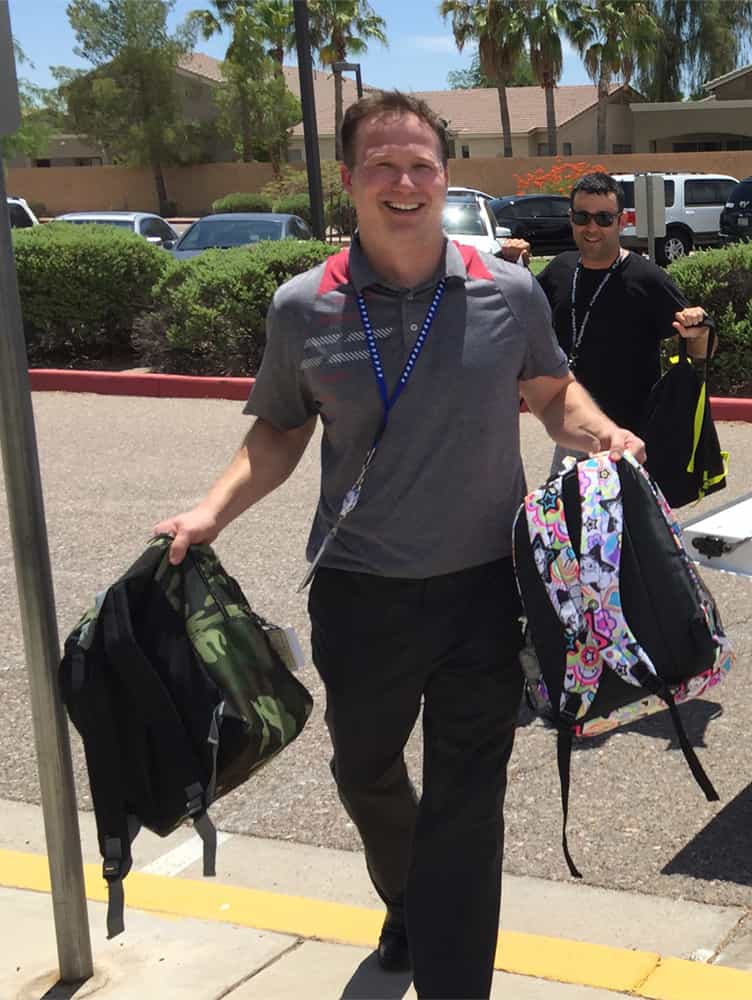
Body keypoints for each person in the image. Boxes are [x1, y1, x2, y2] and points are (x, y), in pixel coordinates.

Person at [154, 91, 643, 1000]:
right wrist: (210, 513)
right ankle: (410, 900)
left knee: (469, 803)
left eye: (422, 165)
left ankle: (455, 978)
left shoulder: (508, 292)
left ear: (445, 178)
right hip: (361, 591)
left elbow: (552, 394)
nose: (405, 182)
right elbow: (279, 431)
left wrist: (602, 433)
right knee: (364, 771)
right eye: (383, 165)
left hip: (485, 593)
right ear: (349, 180)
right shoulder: (304, 307)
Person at [535, 172, 715, 474]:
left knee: (627, 509)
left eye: (604, 219)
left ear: (622, 221)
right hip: (574, 436)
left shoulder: (647, 278)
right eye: (582, 217)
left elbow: (702, 350)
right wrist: (509, 262)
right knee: (564, 506)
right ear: (571, 219)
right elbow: (522, 319)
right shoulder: (559, 270)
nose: (592, 227)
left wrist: (697, 330)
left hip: (631, 440)